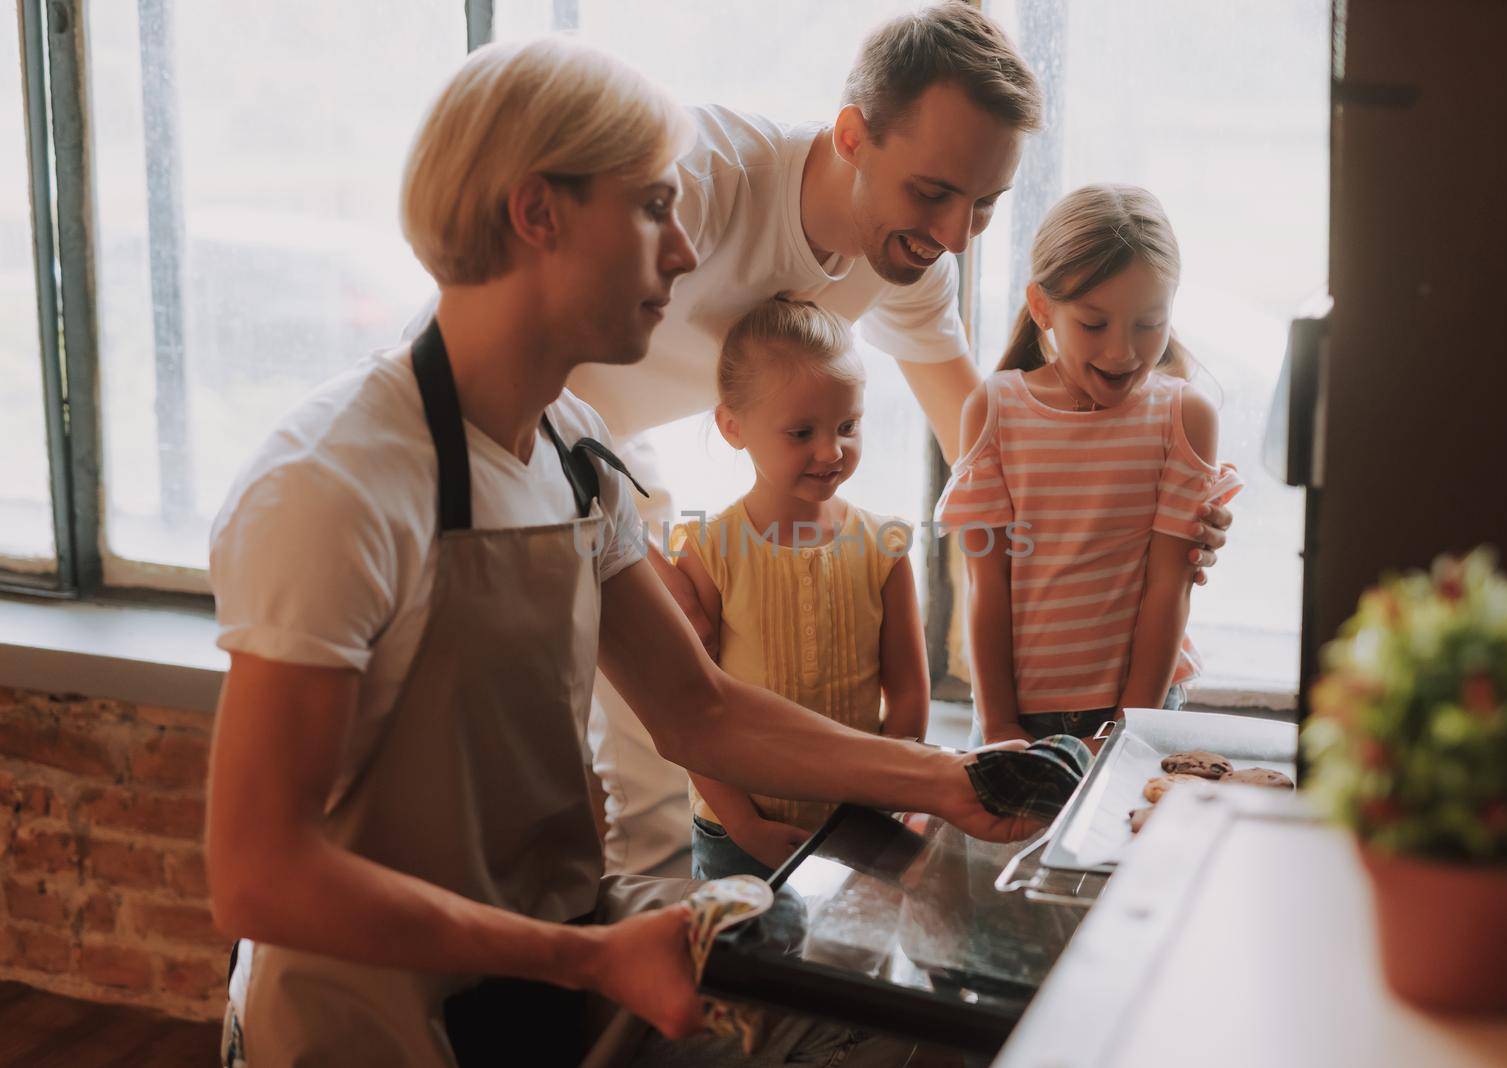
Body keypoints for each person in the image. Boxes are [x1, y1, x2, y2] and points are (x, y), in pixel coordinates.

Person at [207, 36, 1032, 1068]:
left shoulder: (579, 457)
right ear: (536, 212)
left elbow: (700, 710)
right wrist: (586, 958)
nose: (686, 254)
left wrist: (944, 778)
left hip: (541, 974)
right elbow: (256, 878)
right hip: (366, 1022)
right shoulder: (330, 487)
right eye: (653, 209)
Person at [556, 1, 1235, 878]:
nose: (954, 235)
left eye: (984, 205)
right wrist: (633, 548)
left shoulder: (909, 264)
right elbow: (536, 346)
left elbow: (986, 446)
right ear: (851, 136)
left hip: (616, 450)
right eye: (934, 191)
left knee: (664, 785)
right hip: (550, 437)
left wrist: (1149, 509)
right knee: (628, 781)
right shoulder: (703, 178)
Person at [935, 184, 1245, 747]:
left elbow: (1168, 587)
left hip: (1140, 707)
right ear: (1041, 306)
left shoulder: (1185, 416)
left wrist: (1130, 725)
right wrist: (1001, 722)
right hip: (1014, 715)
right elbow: (987, 583)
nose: (1122, 353)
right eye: (1094, 325)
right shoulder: (994, 408)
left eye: (1149, 324)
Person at [672, 297, 929, 880]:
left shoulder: (884, 548)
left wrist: (883, 794)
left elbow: (909, 693)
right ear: (732, 426)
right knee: (742, 972)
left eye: (848, 426)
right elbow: (687, 711)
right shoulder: (707, 553)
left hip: (858, 821)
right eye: (801, 432)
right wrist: (745, 824)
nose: (831, 451)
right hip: (735, 833)